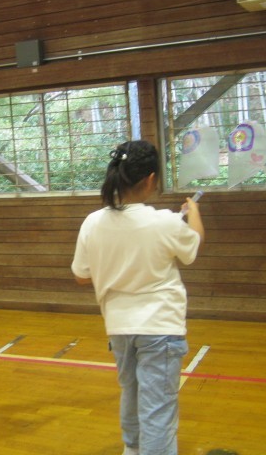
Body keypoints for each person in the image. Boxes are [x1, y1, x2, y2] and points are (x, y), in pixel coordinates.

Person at [71, 140, 204, 455]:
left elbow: (81, 275)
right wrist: (194, 212)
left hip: (119, 328)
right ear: (150, 180)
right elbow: (193, 246)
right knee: (157, 406)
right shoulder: (165, 222)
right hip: (160, 327)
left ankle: (132, 449)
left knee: (131, 393)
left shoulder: (93, 222)